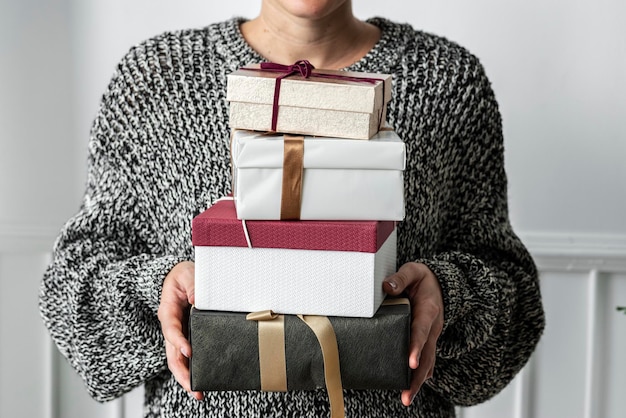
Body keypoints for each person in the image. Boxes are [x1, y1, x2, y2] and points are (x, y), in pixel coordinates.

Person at [39, 1, 545, 417]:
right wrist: (157, 290)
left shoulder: (446, 82)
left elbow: (513, 303)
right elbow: (74, 289)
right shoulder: (156, 79)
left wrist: (448, 293)